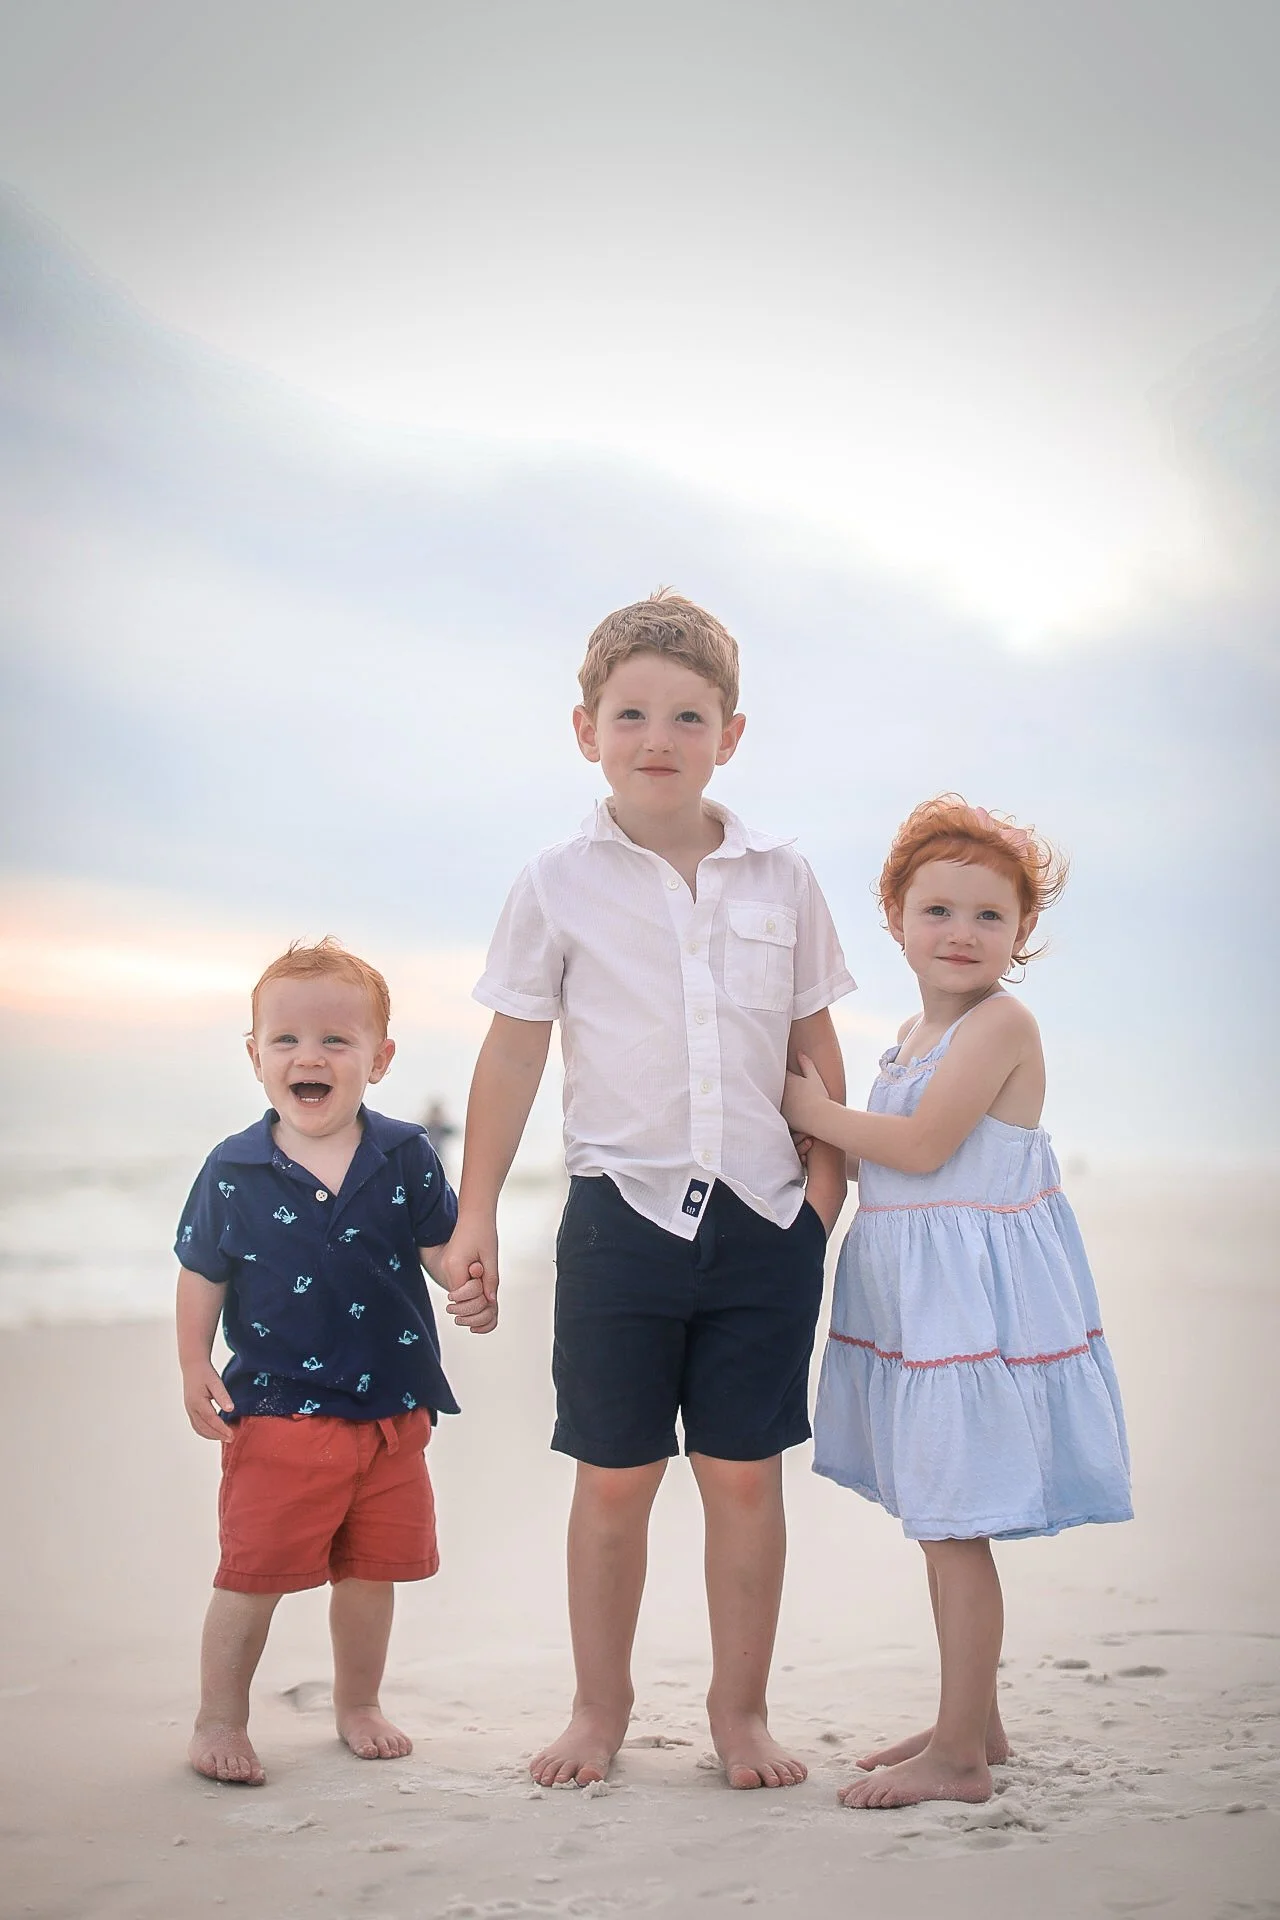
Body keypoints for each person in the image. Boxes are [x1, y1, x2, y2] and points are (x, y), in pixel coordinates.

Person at [443, 590, 856, 1791]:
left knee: (742, 1476)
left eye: (687, 714)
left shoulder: (781, 878)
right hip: (619, 1219)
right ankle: (598, 1710)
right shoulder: (555, 881)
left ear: (730, 733)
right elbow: (514, 1050)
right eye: (630, 713)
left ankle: (739, 1716)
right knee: (613, 1479)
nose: (656, 736)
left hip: (765, 1220)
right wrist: (473, 1215)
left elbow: (812, 1044)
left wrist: (820, 1203)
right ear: (586, 730)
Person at [782, 796, 1131, 1811]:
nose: (960, 934)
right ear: (894, 919)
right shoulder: (908, 1030)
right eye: (936, 911)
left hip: (970, 1316)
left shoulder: (998, 1023)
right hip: (918, 1304)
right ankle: (971, 1721)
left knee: (951, 1521)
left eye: (988, 916)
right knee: (938, 1516)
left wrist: (815, 1114)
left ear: (1020, 933)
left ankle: (962, 1760)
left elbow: (928, 1148)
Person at [175, 938, 493, 1787]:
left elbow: (439, 1246)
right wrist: (192, 1363)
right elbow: (202, 1271)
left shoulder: (402, 1154)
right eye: (284, 1040)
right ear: (255, 1056)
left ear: (378, 1060)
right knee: (253, 1576)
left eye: (335, 1041)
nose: (308, 1056)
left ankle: (358, 1703)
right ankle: (219, 1718)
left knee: (371, 1574)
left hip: (392, 1410)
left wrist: (470, 1283)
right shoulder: (234, 1168)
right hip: (277, 1411)